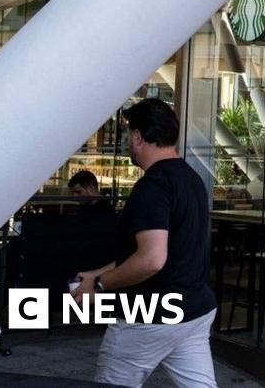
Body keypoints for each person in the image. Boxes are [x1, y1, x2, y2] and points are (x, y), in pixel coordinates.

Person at [73, 98, 218, 387]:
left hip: (150, 316)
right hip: (193, 312)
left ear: (138, 137)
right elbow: (152, 252)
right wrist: (96, 273)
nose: (127, 141)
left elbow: (152, 260)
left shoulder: (152, 186)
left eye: (128, 134)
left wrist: (101, 284)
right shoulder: (191, 178)